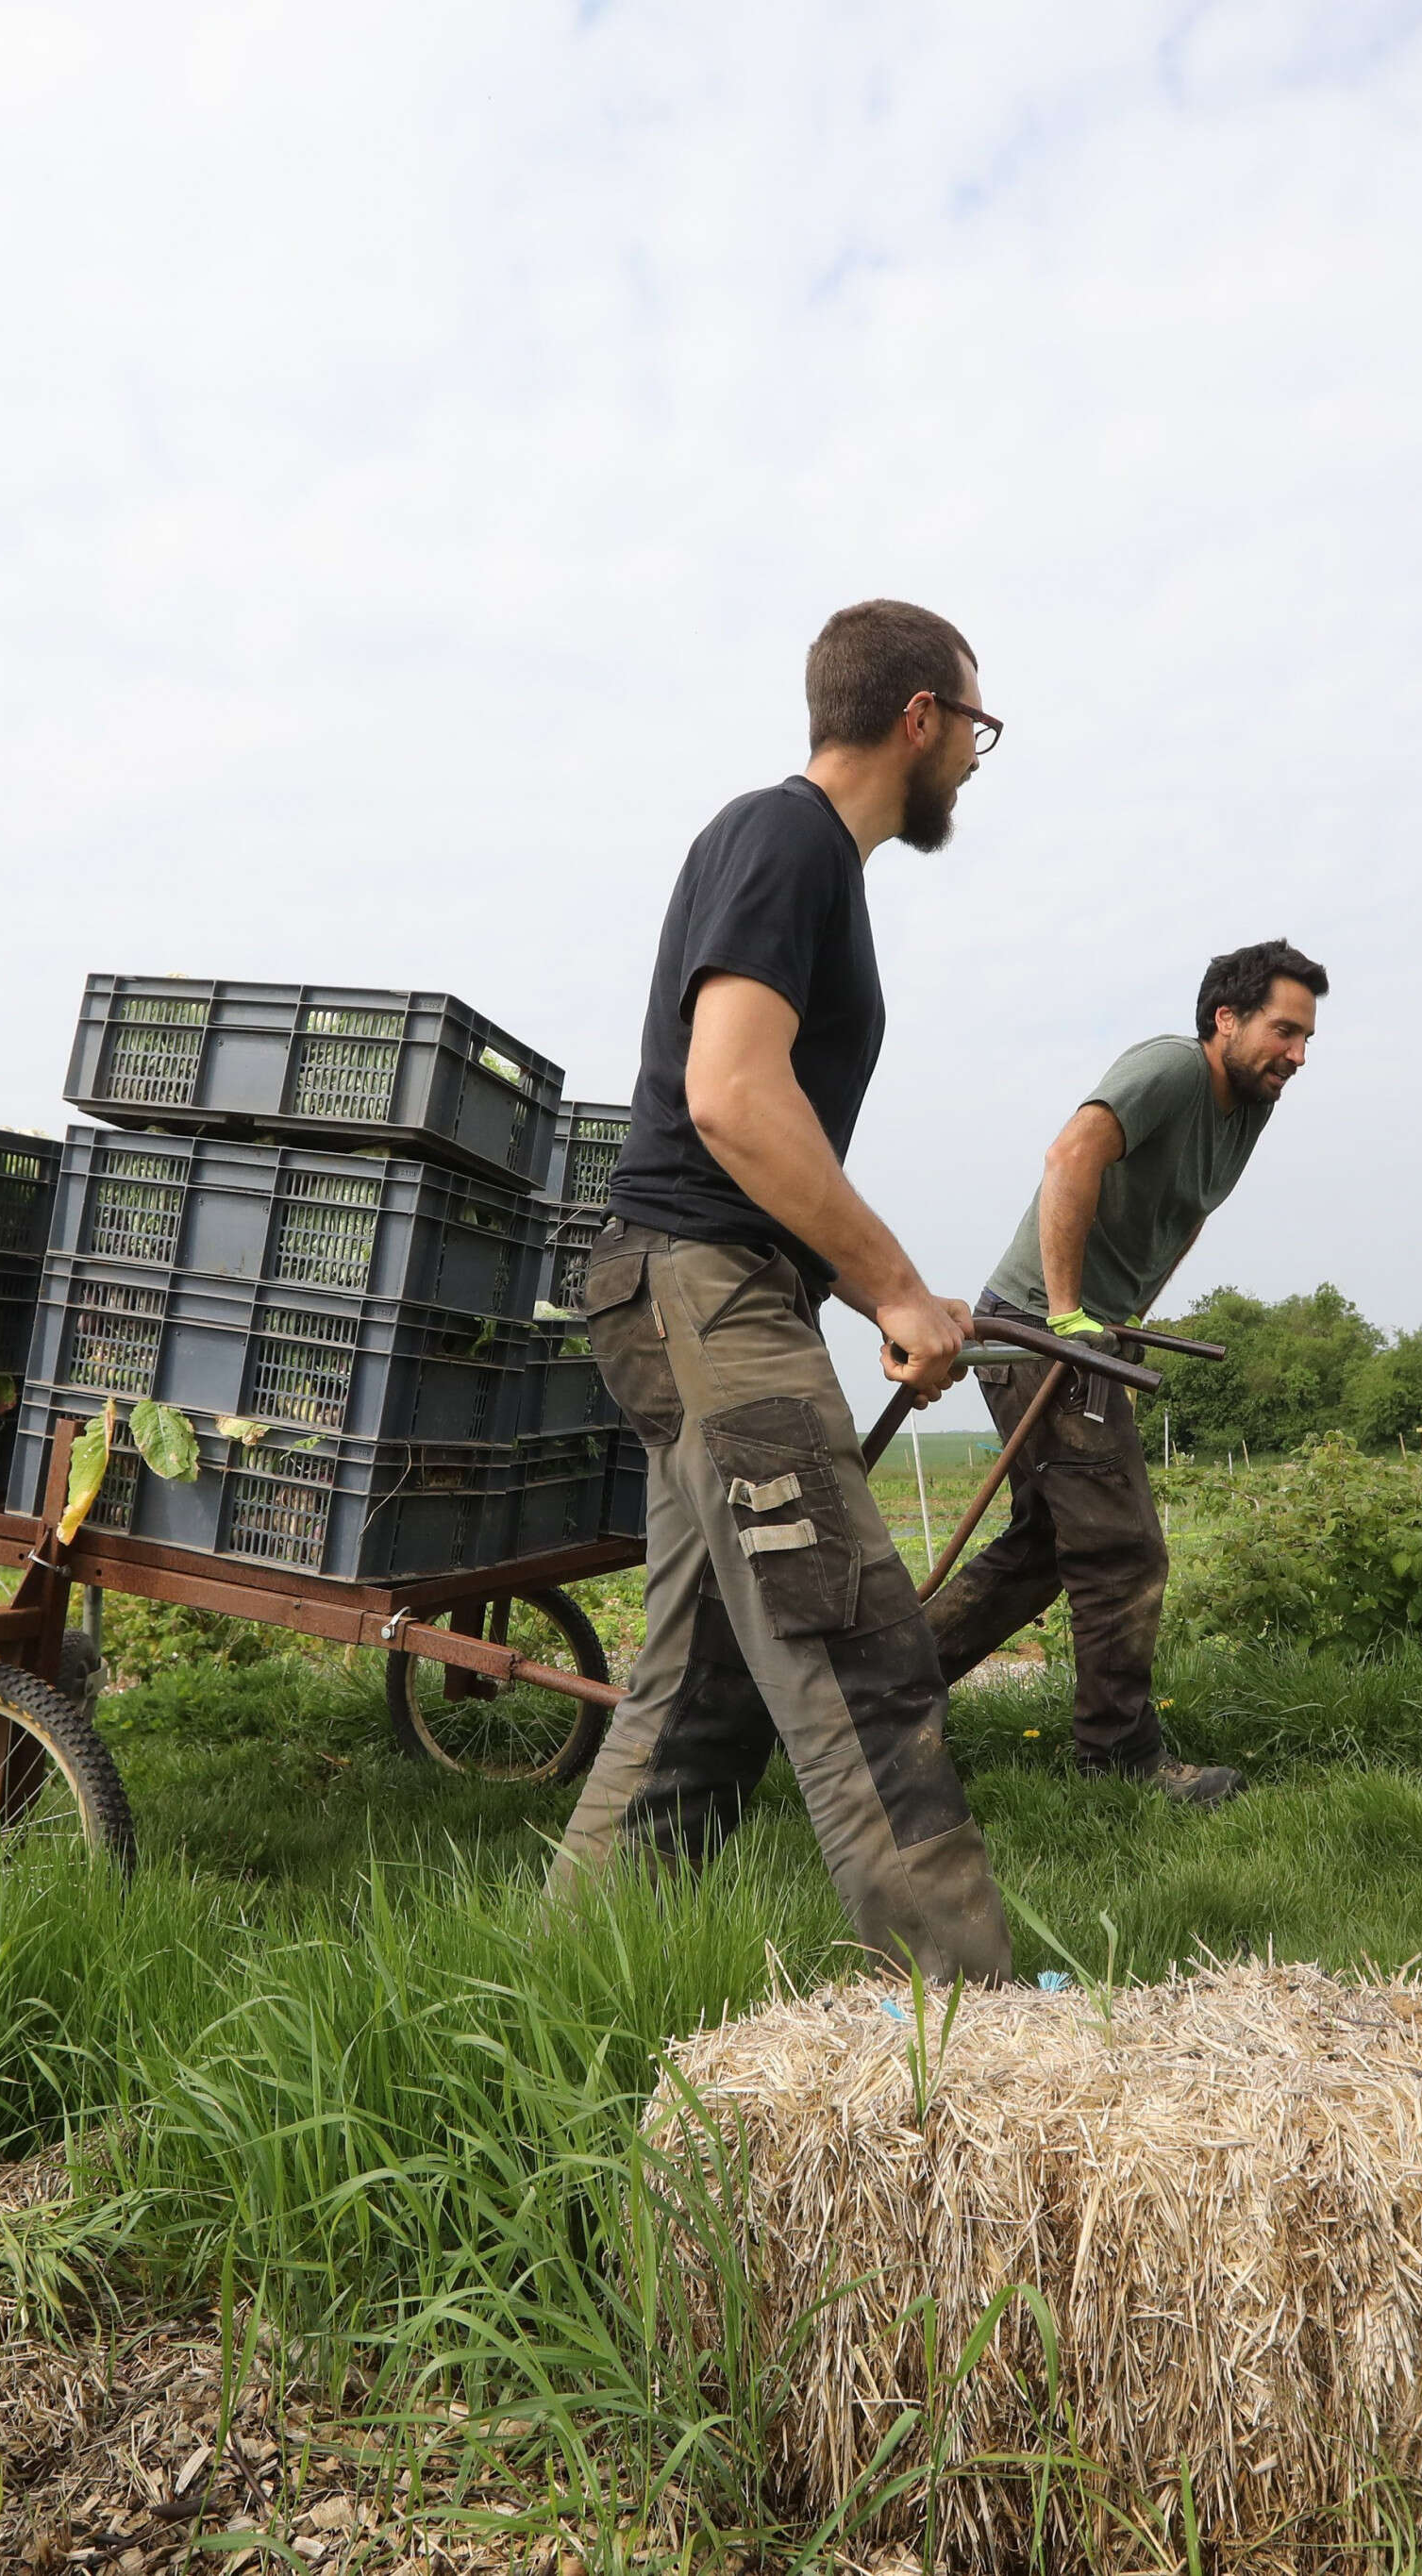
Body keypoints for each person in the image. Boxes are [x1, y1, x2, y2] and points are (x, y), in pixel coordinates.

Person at [544, 600, 1012, 1982]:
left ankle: (567, 1983)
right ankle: (974, 2030)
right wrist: (898, 1291)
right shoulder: (786, 836)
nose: (980, 756)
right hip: (705, 1283)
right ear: (917, 715)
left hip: (696, 1284)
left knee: (702, 1682)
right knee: (857, 1647)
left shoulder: (809, 863)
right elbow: (734, 1095)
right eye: (977, 724)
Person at [925, 939, 1327, 1806]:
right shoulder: (1172, 1068)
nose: (1297, 1055)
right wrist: (1071, 1316)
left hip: (1087, 1330)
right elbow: (1072, 1156)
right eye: (1284, 1031)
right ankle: (1121, 1761)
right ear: (1227, 1019)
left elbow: (1187, 1214)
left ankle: (883, 1690)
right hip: (1039, 1327)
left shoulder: (1248, 1108)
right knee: (1124, 1551)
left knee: (1045, 1548)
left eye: (1305, 1040)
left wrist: (1125, 1317)